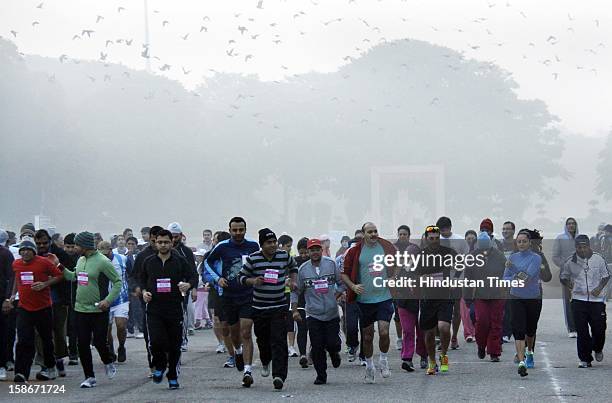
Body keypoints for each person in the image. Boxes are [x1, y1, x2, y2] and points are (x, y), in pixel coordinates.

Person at [60, 231, 122, 388]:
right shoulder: (80, 260)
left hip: (98, 310)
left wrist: (107, 301)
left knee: (100, 342)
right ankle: (90, 376)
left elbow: (117, 282)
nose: (74, 248)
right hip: (80, 309)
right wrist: (59, 267)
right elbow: (73, 276)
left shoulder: (102, 261)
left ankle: (108, 361)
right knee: (82, 344)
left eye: (76, 245)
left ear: (85, 245)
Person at [239, 228, 298, 390]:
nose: (272, 245)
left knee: (279, 341)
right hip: (259, 308)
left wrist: (293, 281)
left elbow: (294, 267)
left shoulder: (283, 255)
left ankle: (279, 376)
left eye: (274, 242)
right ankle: (265, 360)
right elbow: (241, 277)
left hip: (279, 306)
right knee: (263, 341)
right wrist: (253, 281)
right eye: (268, 243)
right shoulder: (253, 259)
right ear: (262, 244)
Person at [141, 229, 198, 390]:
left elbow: (193, 276)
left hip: (174, 307)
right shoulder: (149, 261)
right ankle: (159, 366)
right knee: (156, 342)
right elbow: (141, 280)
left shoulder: (179, 260)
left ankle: (172, 374)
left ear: (171, 242)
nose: (163, 245)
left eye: (166, 242)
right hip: (154, 309)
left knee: (174, 345)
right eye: (160, 242)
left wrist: (189, 285)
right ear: (155, 243)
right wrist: (144, 292)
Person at [341, 222, 397, 383]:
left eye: (375, 231)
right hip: (364, 300)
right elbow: (344, 273)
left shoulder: (386, 246)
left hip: (384, 297)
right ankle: (369, 366)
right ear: (363, 234)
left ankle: (384, 361)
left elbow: (399, 262)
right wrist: (353, 286)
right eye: (370, 232)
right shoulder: (355, 251)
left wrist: (393, 277)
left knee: (384, 331)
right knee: (367, 336)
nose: (373, 234)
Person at [204, 217, 259, 380]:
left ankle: (247, 371)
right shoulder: (222, 246)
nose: (238, 233)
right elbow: (207, 263)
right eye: (234, 230)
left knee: (246, 331)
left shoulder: (253, 246)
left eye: (241, 230)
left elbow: (259, 263)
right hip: (228, 296)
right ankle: (238, 351)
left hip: (248, 295)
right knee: (234, 333)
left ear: (245, 229)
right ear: (229, 231)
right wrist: (217, 278)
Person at [7, 239, 64, 383]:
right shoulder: (16, 264)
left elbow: (59, 275)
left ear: (34, 251)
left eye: (28, 250)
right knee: (23, 340)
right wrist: (13, 295)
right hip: (24, 308)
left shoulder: (43, 262)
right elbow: (17, 279)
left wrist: (45, 284)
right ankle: (21, 373)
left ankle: (50, 368)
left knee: (46, 340)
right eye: (23, 250)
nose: (25, 252)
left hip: (43, 307)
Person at [291, 238, 344, 385]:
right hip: (313, 314)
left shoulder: (331, 264)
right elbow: (296, 291)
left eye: (317, 249)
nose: (314, 252)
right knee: (317, 346)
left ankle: (334, 353)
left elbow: (341, 283)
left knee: (333, 343)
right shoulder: (303, 270)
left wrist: (337, 295)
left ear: (321, 250)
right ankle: (321, 375)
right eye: (311, 250)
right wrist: (294, 310)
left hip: (332, 313)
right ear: (308, 252)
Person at [560, 235, 610, 368]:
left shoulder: (598, 259)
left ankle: (597, 348)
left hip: (597, 301)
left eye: (584, 246)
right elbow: (563, 277)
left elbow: (606, 276)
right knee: (582, 331)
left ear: (589, 246)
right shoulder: (570, 261)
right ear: (575, 247)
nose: (582, 250)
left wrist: (599, 289)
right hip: (578, 301)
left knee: (599, 330)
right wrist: (568, 284)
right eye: (579, 247)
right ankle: (585, 358)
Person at [415, 225, 458, 375]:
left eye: (437, 238)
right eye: (431, 238)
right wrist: (422, 278)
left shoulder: (448, 252)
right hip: (428, 298)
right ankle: (432, 362)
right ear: (426, 239)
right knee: (429, 333)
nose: (434, 241)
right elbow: (412, 276)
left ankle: (444, 355)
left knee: (444, 327)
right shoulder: (420, 255)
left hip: (445, 296)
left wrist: (454, 279)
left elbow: (460, 265)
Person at [33, 229, 73, 378]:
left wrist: (50, 277)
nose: (41, 246)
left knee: (59, 333)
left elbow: (68, 274)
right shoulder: (32, 255)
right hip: (38, 301)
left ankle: (59, 358)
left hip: (58, 299)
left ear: (50, 241)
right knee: (40, 333)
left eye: (44, 243)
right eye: (38, 243)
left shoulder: (60, 254)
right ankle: (44, 364)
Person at [503, 230, 542, 377]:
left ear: (529, 242)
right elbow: (505, 278)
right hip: (516, 296)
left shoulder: (536, 258)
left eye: (524, 241)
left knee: (530, 329)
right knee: (518, 329)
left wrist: (513, 270)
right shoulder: (513, 257)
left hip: (533, 297)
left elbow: (527, 277)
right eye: (519, 241)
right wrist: (512, 278)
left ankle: (529, 352)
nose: (521, 244)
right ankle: (521, 361)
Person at [465, 232, 507, 362]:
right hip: (480, 295)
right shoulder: (472, 257)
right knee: (482, 321)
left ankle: (494, 352)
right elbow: (468, 279)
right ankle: (481, 345)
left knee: (496, 323)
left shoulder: (499, 256)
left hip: (497, 294)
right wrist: (467, 297)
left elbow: (506, 274)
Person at [393, 225, 427, 372]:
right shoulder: (400, 270)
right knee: (407, 331)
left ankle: (424, 355)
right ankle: (407, 358)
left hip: (421, 305)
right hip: (405, 305)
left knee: (422, 332)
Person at [132, 225, 164, 376]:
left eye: (159, 241)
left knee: (167, 336)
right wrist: (137, 288)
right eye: (153, 240)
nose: (157, 244)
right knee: (150, 336)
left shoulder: (174, 255)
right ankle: (154, 365)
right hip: (148, 302)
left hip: (168, 302)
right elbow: (133, 276)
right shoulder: (143, 255)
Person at [436, 217, 469, 350]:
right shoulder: (436, 240)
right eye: (440, 230)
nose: (442, 232)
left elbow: (465, 260)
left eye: (444, 229)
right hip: (440, 280)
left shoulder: (460, 240)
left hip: (457, 279)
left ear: (450, 227)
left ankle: (454, 336)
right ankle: (441, 337)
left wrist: (456, 279)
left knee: (456, 310)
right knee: (440, 309)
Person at [98, 241, 131, 363]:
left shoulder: (122, 259)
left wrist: (133, 288)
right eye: (102, 254)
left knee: (121, 325)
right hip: (104, 299)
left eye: (106, 254)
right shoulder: (97, 261)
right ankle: (110, 349)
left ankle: (121, 346)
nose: (104, 256)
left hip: (121, 297)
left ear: (111, 250)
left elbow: (132, 274)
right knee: (107, 328)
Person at [552, 217, 579, 338]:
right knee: (568, 301)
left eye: (573, 223)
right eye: (569, 223)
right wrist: (565, 265)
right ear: (566, 226)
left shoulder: (581, 238)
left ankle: (580, 326)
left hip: (581, 274)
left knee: (581, 300)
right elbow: (555, 257)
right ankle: (572, 328)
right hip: (566, 275)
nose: (571, 225)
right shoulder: (560, 238)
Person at [278, 234, 298, 358]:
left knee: (290, 320)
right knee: (279, 321)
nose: (290, 248)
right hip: (277, 293)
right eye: (288, 246)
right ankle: (280, 346)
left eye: (291, 246)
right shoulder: (274, 258)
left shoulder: (292, 258)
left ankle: (291, 346)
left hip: (289, 293)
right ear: (280, 246)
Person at [0, 229, 14, 381]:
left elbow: (12, 278)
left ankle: (2, 365)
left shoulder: (5, 254)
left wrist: (8, 298)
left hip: (2, 298)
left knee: (3, 332)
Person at [500, 221, 517, 343]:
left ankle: (507, 332)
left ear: (513, 231)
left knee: (511, 306)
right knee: (502, 306)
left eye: (508, 229)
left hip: (514, 278)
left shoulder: (518, 244)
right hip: (501, 278)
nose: (505, 231)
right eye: (503, 229)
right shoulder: (498, 244)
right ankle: (503, 330)